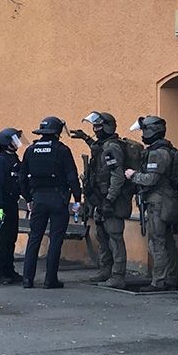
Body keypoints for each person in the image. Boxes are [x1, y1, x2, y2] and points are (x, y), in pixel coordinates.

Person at [19, 116, 82, 289]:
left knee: (35, 238)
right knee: (55, 239)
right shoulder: (62, 150)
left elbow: (22, 177)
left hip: (38, 198)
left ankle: (27, 279)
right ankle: (50, 279)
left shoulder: (30, 150)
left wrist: (29, 198)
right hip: (58, 199)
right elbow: (72, 176)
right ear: (57, 132)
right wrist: (77, 199)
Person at [71, 112, 131, 289]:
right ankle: (106, 270)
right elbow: (97, 149)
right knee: (102, 236)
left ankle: (118, 275)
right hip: (99, 199)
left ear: (108, 127)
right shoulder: (104, 145)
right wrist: (85, 138)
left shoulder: (112, 148)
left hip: (110, 200)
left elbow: (117, 175)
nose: (95, 130)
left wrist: (110, 199)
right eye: (94, 127)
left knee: (114, 236)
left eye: (98, 127)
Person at [125, 116, 178, 292]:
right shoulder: (167, 150)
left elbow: (151, 179)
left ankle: (159, 281)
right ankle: (171, 278)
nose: (142, 135)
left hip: (159, 202)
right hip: (166, 201)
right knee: (168, 242)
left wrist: (133, 175)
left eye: (144, 131)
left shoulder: (158, 153)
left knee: (157, 242)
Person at [0, 128, 26, 285]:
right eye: (15, 139)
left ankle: (9, 269)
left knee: (11, 237)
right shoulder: (0, 160)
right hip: (0, 205)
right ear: (7, 142)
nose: (18, 142)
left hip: (11, 203)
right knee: (0, 236)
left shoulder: (14, 159)